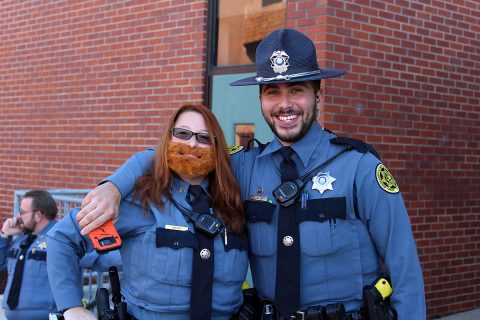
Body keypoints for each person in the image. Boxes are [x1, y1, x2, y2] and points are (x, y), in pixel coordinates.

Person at [75, 29, 426, 319]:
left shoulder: (359, 167)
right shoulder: (243, 165)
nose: (284, 104)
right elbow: (178, 154)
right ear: (260, 99)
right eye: (273, 92)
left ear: (318, 95)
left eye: (297, 90)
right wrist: (114, 186)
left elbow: (404, 265)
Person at [46, 104, 248, 320]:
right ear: (168, 139)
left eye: (204, 137)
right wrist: (71, 307)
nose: (191, 143)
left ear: (216, 146)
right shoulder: (141, 200)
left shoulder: (234, 201)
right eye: (182, 134)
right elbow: (63, 238)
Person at [0, 190, 121, 320]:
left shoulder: (63, 242)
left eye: (23, 212)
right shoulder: (20, 241)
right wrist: (4, 236)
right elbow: (2, 266)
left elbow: (109, 260)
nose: (18, 216)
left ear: (38, 215)